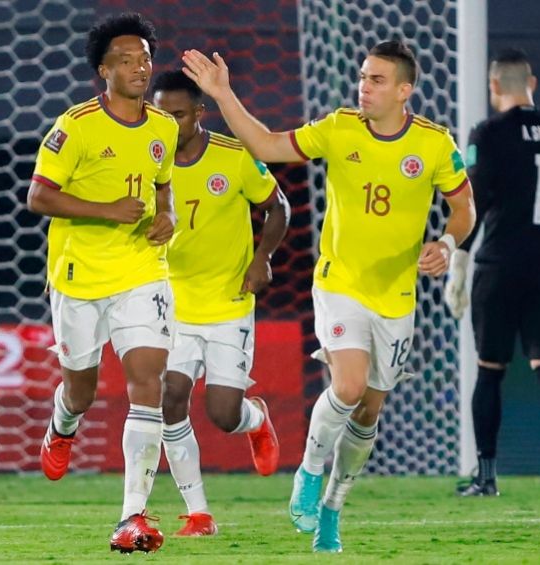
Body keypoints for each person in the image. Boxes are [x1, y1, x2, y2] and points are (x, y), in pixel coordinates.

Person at [182, 40, 476, 553]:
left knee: (368, 411)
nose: (364, 86)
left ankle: (333, 510)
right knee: (349, 385)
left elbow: (464, 207)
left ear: (405, 90)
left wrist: (448, 243)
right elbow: (268, 145)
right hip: (339, 284)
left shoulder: (433, 144)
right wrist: (224, 95)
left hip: (396, 297)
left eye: (378, 80)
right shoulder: (338, 128)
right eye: (363, 77)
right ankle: (309, 474)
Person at [26, 12, 179, 554]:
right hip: (79, 276)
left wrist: (169, 217)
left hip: (142, 270)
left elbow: (164, 191)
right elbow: (39, 196)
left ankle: (131, 516)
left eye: (145, 57)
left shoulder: (164, 127)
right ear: (102, 71)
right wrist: (107, 209)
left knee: (147, 381)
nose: (140, 67)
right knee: (81, 389)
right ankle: (62, 425)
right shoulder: (76, 126)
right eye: (126, 59)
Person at [446, 48, 540, 498]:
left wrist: (459, 262)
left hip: (500, 266)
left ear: (494, 88)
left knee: (489, 371)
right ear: (532, 82)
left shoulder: (486, 133)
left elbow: (476, 203)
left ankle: (487, 477)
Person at [151, 70, 287, 537]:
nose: (170, 124)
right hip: (172, 305)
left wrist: (262, 259)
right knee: (170, 400)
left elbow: (278, 206)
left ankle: (256, 419)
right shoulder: (147, 162)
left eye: (180, 115)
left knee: (223, 414)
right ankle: (199, 513)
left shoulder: (233, 155)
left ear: (199, 114)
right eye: (161, 115)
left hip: (229, 304)